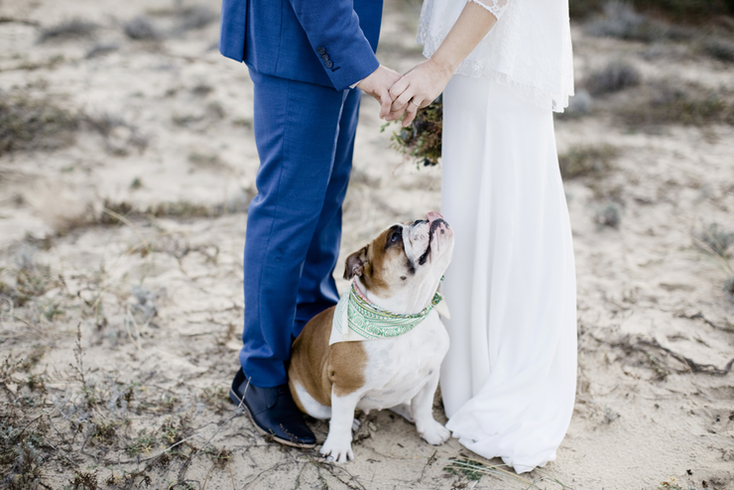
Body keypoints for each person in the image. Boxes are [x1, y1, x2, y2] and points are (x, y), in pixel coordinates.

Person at [386, 0, 577, 473]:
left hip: (493, 52)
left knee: (502, 208)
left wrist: (438, 66)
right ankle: (473, 366)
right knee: (475, 209)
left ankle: (498, 370)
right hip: (475, 53)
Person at [218, 0, 400, 447]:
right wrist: (362, 65)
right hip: (297, 37)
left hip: (340, 41)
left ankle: (303, 337)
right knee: (287, 212)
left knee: (324, 201)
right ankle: (260, 374)